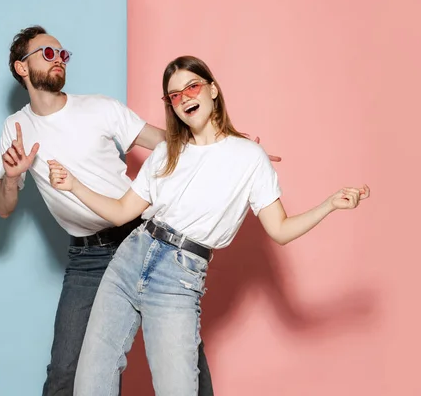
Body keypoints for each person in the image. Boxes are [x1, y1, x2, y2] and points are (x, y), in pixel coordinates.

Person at [47, 55, 370, 396]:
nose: (185, 97)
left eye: (192, 86)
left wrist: (329, 205)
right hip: (129, 260)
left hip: (179, 276)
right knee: (90, 382)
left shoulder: (249, 157)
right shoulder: (166, 153)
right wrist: (73, 186)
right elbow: (120, 213)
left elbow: (280, 230)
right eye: (174, 95)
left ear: (213, 90)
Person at [0, 26, 281, 396]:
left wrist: (229, 148)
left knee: (187, 360)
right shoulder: (15, 128)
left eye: (63, 54)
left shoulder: (99, 107)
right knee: (65, 371)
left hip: (138, 238)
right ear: (22, 67)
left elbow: (169, 140)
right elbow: (4, 208)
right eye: (48, 54)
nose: (59, 60)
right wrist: (11, 177)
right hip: (86, 257)